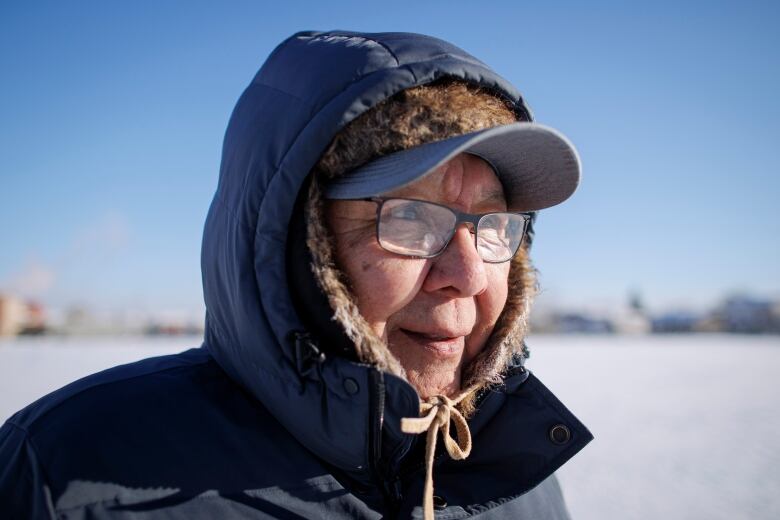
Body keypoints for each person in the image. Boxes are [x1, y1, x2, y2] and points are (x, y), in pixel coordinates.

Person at [0, 30, 592, 519]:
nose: (464, 274)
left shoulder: (519, 484)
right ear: (296, 243)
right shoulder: (71, 477)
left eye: (492, 227)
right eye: (410, 216)